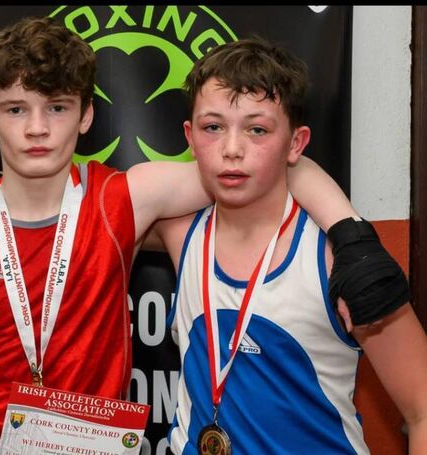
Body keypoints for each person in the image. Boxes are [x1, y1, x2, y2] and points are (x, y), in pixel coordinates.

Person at [0, 18, 360, 454]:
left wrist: (352, 235)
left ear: (86, 115)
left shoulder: (122, 200)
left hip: (88, 440)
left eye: (57, 107)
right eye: (15, 109)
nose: (37, 128)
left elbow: (270, 165)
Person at [135, 38, 427, 454]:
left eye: (257, 130)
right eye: (213, 127)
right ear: (189, 135)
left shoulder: (333, 257)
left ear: (296, 143)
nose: (232, 150)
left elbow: (422, 407)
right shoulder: (178, 232)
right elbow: (83, 214)